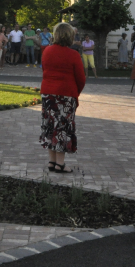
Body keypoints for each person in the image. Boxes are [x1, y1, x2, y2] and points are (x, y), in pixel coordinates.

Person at [40, 22, 85, 173]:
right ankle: (60, 164)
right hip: (66, 95)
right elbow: (81, 78)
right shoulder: (73, 55)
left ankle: (52, 162)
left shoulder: (47, 51)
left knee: (50, 126)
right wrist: (75, 92)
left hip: (48, 94)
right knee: (62, 128)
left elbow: (45, 70)